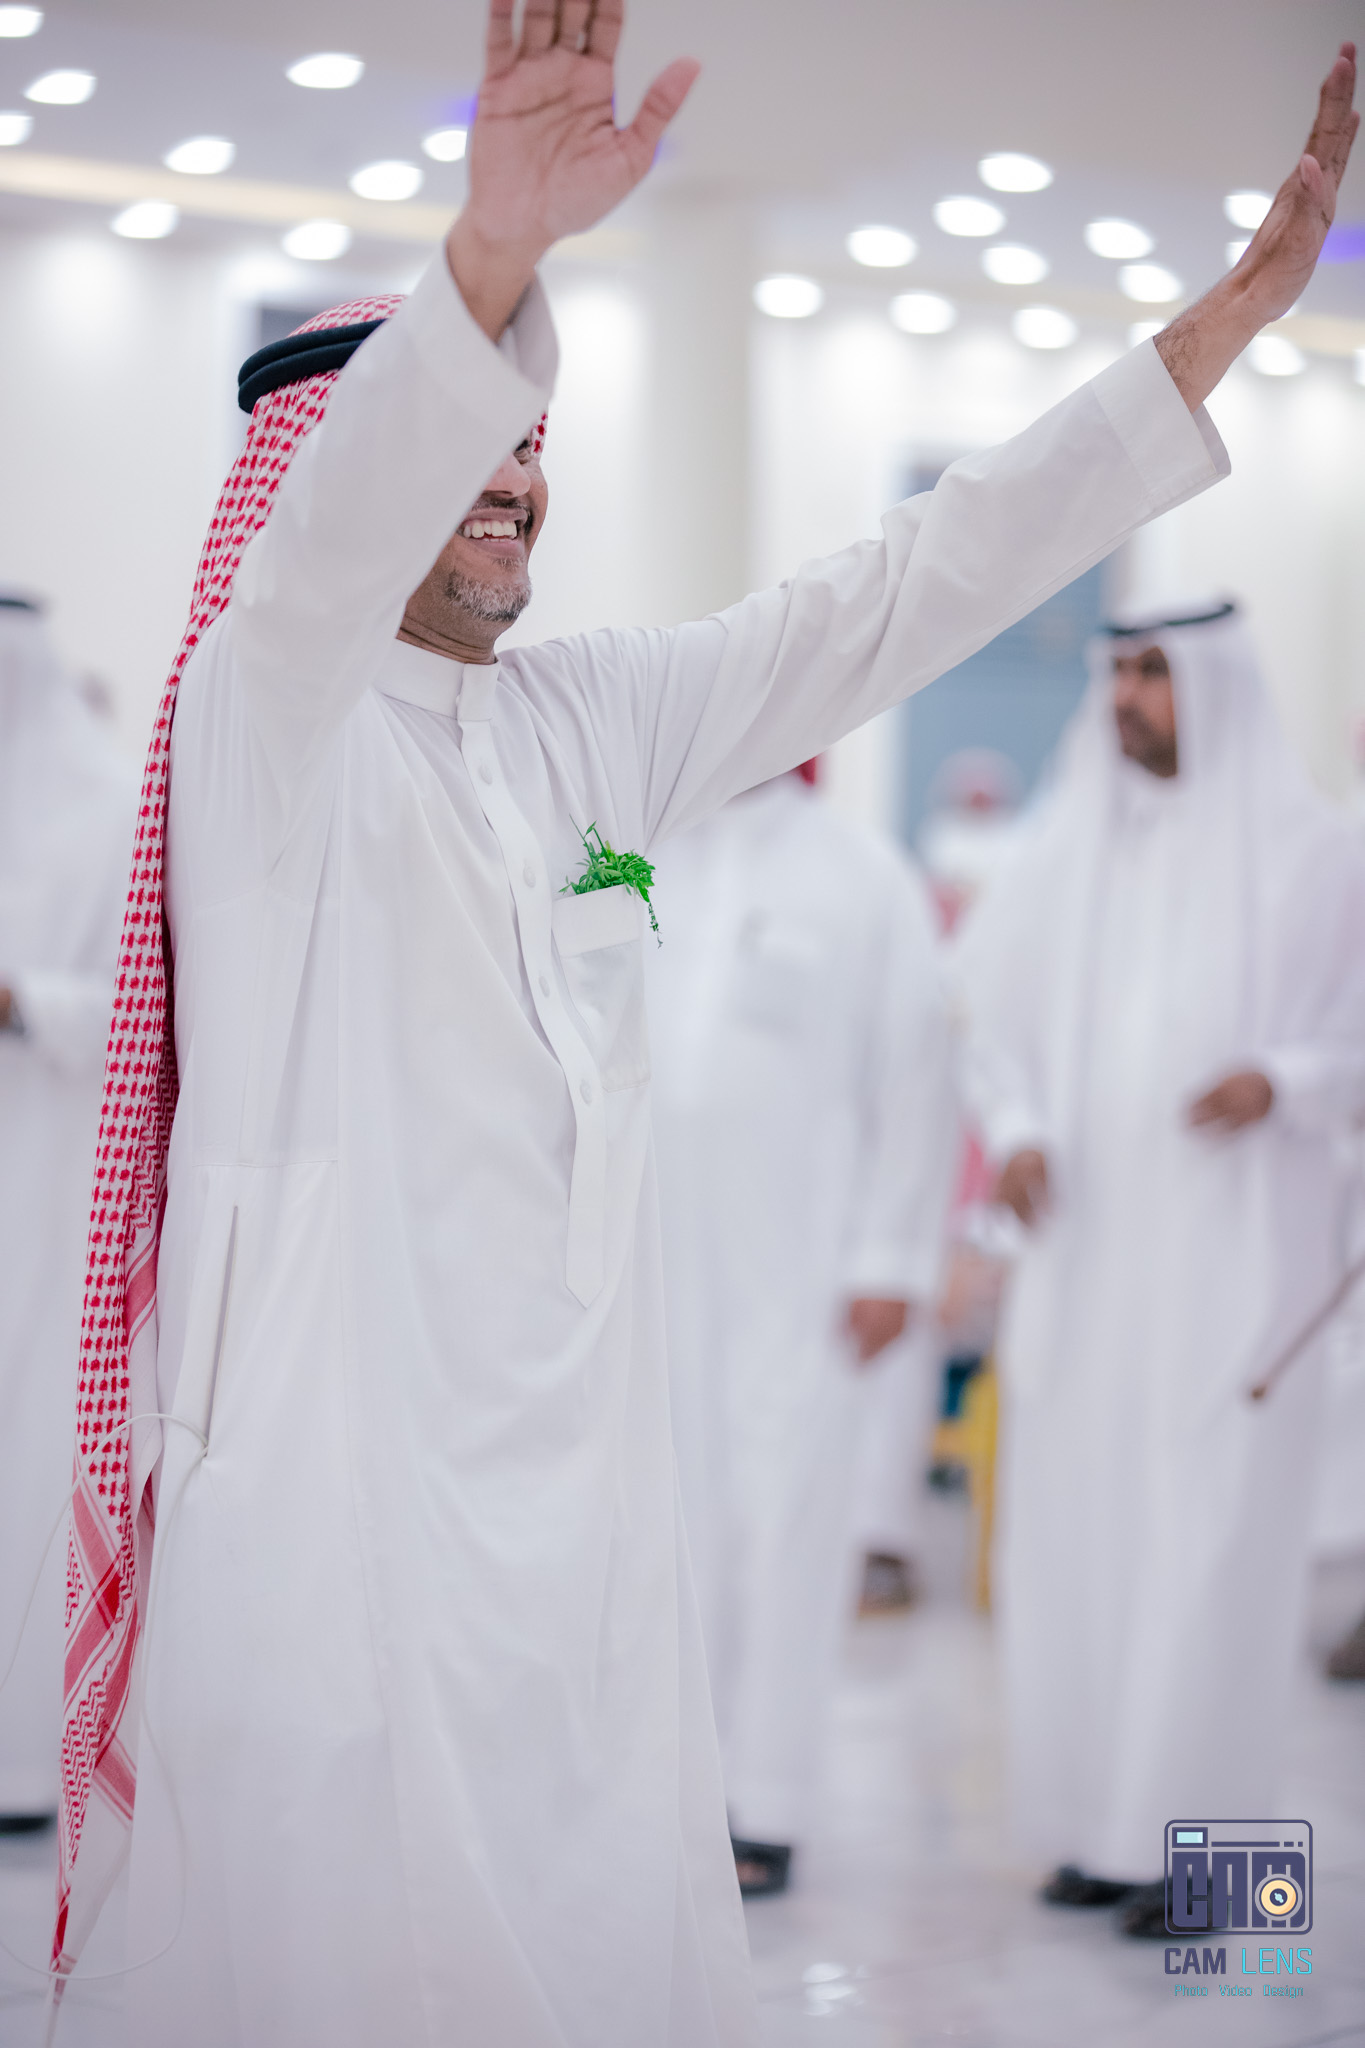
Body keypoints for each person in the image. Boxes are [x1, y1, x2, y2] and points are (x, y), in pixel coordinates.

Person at [52, 0, 1357, 2033]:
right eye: (473, 442)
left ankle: (1214, 1913)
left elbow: (903, 585)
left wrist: (1206, 344)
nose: (518, 481)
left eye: (532, 449)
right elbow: (319, 565)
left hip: (579, 1522)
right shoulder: (265, 728)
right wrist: (492, 258)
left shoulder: (578, 728)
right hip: (335, 1510)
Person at [952, 599, 1365, 1939]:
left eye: (1153, 673)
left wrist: (1285, 1079)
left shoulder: (1318, 857)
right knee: (1080, 1552)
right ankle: (1101, 1837)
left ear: (1216, 684)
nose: (1128, 696)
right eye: (1118, 670)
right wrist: (1017, 1127)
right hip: (1087, 1279)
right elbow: (988, 1025)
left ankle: (1224, 1878)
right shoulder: (1064, 852)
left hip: (1233, 1286)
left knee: (1215, 1567)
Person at [648, 767, 956, 1893]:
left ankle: (763, 1801)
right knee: (662, 1521)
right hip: (656, 1263)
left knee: (784, 1517)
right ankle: (664, 1795)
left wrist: (890, 1260)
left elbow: (917, 1079)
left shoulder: (864, 877)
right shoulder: (648, 849)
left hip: (806, 1271)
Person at [0, 596, 132, 1831]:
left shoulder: (110, 804)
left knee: (33, 1447)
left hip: (50, 1179)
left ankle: (25, 1766)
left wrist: (21, 999)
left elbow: (147, 1002)